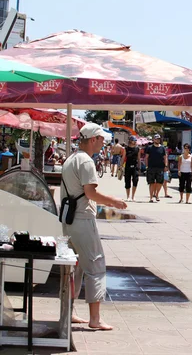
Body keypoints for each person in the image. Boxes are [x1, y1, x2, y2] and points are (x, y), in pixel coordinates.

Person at [61, 123, 126, 330]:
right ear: (92, 139)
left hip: (68, 220)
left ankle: (69, 312)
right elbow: (91, 193)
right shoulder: (86, 161)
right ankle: (95, 319)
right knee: (96, 266)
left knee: (74, 268)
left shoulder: (71, 158)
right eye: (101, 139)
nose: (103, 143)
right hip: (82, 219)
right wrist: (113, 202)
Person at [145, 134, 168, 203]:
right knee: (151, 183)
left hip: (160, 167)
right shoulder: (149, 148)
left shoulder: (162, 148)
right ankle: (151, 197)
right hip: (151, 167)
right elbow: (146, 157)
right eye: (156, 139)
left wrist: (166, 166)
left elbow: (165, 157)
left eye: (158, 139)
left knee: (160, 182)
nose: (157, 140)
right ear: (153, 139)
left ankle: (157, 194)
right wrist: (146, 166)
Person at [122, 136, 141, 202]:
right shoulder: (126, 148)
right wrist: (120, 166)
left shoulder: (138, 149)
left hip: (135, 166)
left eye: (135, 140)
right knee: (127, 181)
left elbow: (139, 158)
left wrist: (139, 166)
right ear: (130, 141)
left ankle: (133, 196)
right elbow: (123, 157)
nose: (135, 141)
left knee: (135, 180)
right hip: (127, 165)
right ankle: (128, 196)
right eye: (134, 140)